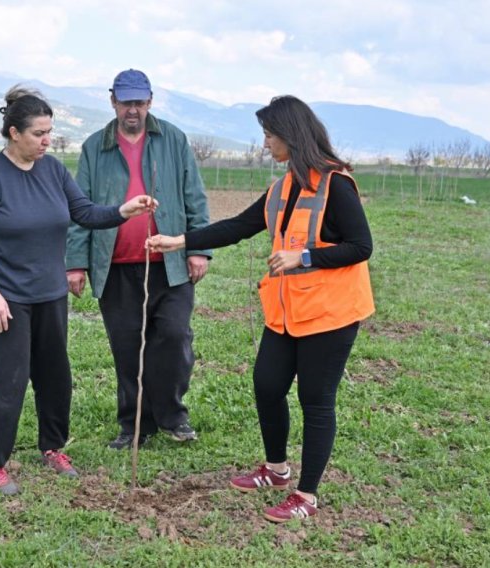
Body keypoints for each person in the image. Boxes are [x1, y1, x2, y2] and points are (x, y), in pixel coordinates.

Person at [147, 95, 374, 522]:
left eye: (269, 135)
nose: (265, 143)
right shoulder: (283, 186)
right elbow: (239, 227)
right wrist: (179, 241)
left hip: (330, 314)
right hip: (287, 311)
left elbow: (361, 247)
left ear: (291, 135)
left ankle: (306, 496)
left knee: (315, 399)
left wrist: (303, 257)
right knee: (267, 385)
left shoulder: (336, 185)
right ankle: (276, 470)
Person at [0, 86, 157, 495]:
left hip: (50, 293)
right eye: (39, 134)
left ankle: (53, 447)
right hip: (6, 299)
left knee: (56, 378)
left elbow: (82, 212)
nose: (48, 140)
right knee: (8, 382)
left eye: (50, 132)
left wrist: (124, 210)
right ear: (14, 133)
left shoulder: (52, 171)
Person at [65, 69, 211, 450]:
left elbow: (194, 195)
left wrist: (197, 247)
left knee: (174, 338)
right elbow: (81, 208)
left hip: (169, 262)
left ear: (150, 101)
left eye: (139, 102)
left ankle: (173, 414)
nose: (133, 109)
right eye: (126, 101)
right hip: (116, 266)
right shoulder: (94, 147)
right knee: (128, 347)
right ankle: (134, 425)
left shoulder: (173, 139)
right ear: (113, 100)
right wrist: (76, 262)